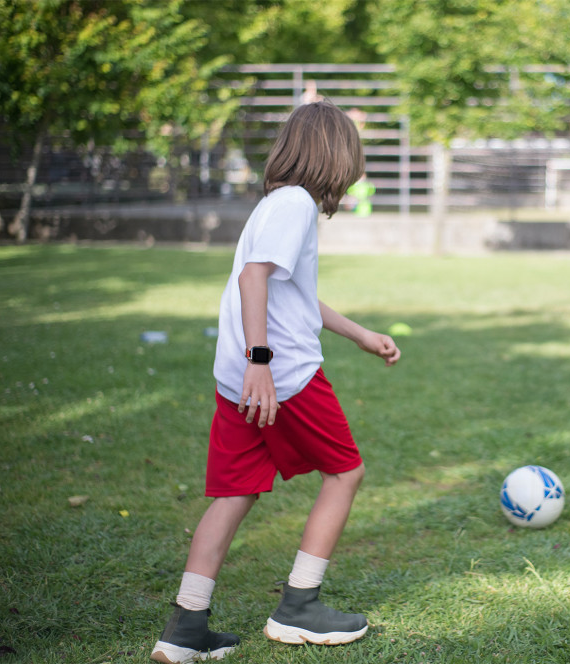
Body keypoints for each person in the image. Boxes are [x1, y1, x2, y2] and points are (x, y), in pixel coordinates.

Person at [151, 100, 401, 664]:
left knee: (234, 492)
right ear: (336, 156)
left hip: (240, 376)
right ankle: (298, 606)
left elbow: (291, 291)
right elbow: (253, 277)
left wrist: (358, 334)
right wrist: (261, 360)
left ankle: (185, 629)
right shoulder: (295, 206)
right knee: (345, 472)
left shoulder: (278, 203)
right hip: (280, 374)